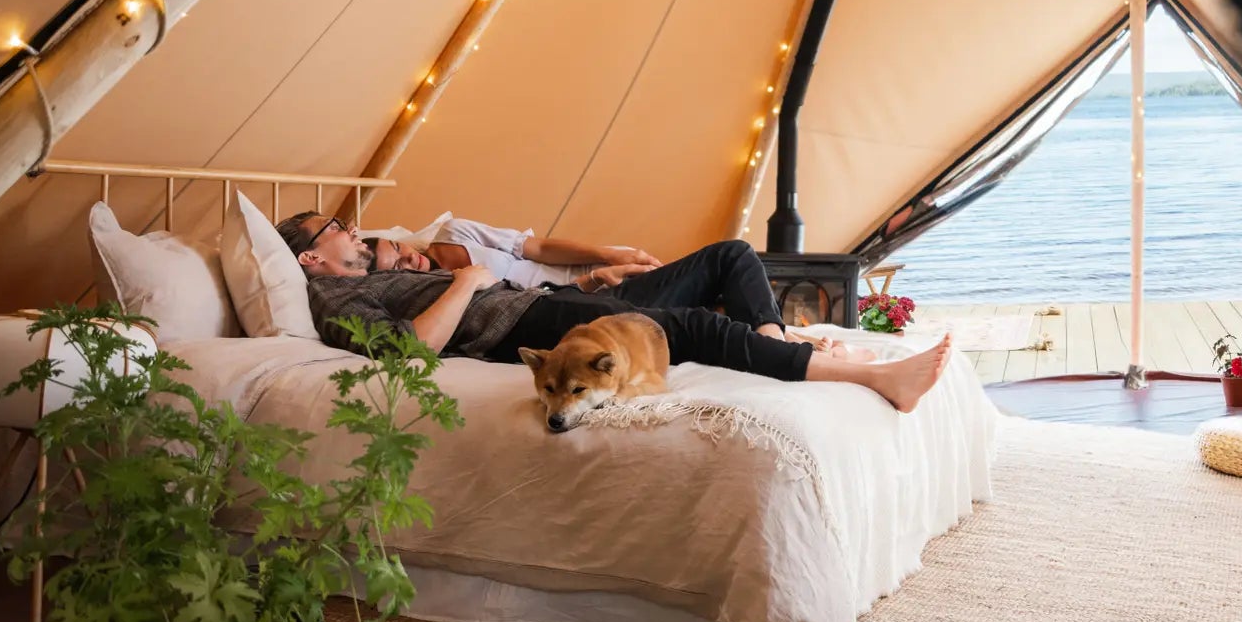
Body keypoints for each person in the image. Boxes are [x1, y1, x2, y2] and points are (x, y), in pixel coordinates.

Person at [277, 212, 948, 413]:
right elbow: (409, 354)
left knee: (730, 257)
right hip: (522, 325)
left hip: (555, 303)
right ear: (309, 258)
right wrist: (467, 283)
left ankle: (772, 338)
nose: (351, 229)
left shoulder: (386, 271)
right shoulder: (333, 298)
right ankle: (870, 378)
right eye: (334, 225)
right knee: (683, 330)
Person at [367, 218, 801, 342]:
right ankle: (772, 341)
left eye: (399, 247)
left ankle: (771, 337)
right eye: (396, 268)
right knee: (721, 273)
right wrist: (596, 281)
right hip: (579, 301)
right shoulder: (441, 298)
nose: (409, 260)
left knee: (731, 262)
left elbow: (537, 249)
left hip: (595, 282)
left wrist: (605, 256)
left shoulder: (455, 232)